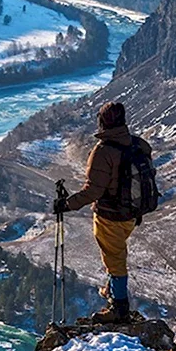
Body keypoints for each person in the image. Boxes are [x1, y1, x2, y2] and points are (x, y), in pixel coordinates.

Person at [54, 101, 151, 323]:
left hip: (111, 216)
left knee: (115, 258)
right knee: (115, 253)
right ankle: (112, 292)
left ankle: (119, 308)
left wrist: (66, 204)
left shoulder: (103, 151)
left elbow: (94, 191)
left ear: (102, 122)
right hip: (132, 214)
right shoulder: (138, 145)